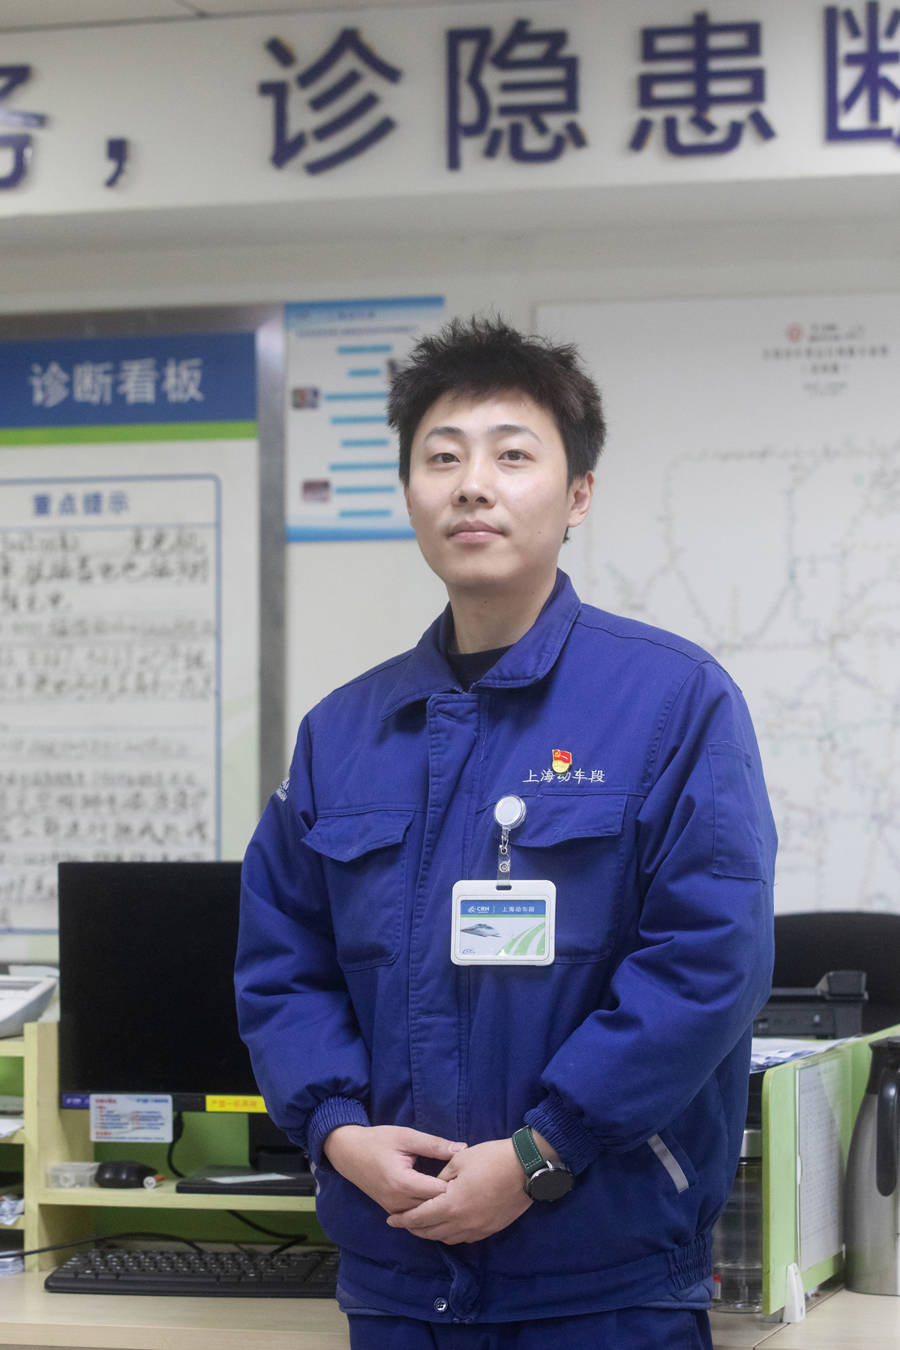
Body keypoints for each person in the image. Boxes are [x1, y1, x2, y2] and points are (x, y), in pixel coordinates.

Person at [235, 316, 777, 1349]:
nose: (472, 486)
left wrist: (540, 1153)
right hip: (397, 1276)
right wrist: (338, 1132)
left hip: (604, 1276)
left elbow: (710, 963)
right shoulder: (342, 734)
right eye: (441, 458)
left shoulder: (674, 701)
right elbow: (282, 966)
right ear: (409, 491)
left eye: (513, 456)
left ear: (578, 496)